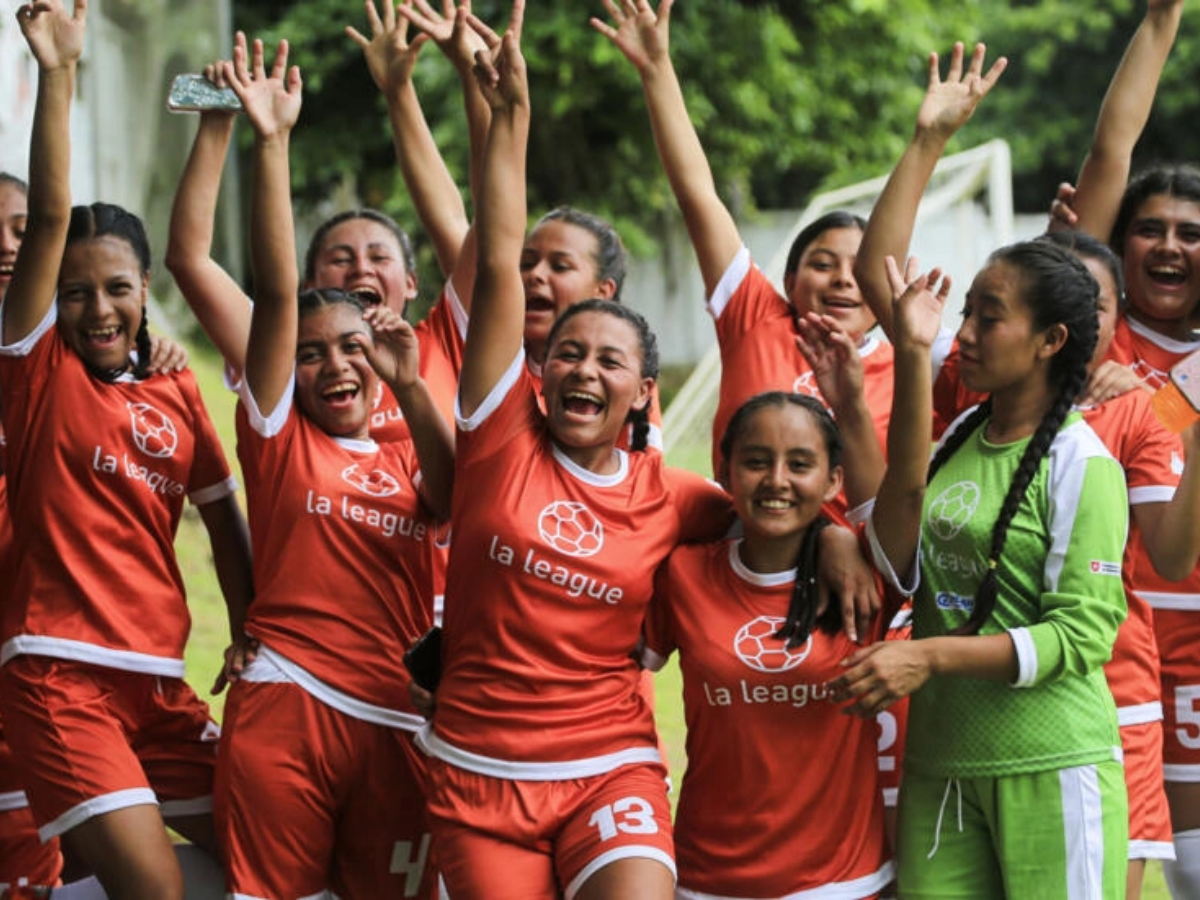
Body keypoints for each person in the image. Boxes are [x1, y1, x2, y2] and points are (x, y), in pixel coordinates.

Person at [411, 8, 738, 896]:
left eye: (609, 361)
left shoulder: (675, 495)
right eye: (567, 354)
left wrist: (834, 543)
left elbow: (774, 519)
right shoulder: (498, 437)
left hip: (608, 767)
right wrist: (508, 117)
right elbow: (495, 255)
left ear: (643, 391)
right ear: (540, 371)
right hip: (478, 770)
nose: (584, 369)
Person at [0, 2, 254, 898]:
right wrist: (60, 72)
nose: (98, 309)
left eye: (115, 288)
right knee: (156, 889)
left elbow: (222, 514)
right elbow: (46, 220)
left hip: (159, 687)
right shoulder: (36, 373)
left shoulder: (175, 386)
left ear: (144, 289)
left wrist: (250, 633)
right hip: (58, 677)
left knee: (274, 853)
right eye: (74, 293)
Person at [202, 35, 453, 899]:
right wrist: (270, 140)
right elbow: (276, 293)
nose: (334, 366)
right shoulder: (278, 433)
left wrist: (411, 390)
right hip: (291, 697)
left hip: (399, 714)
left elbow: (453, 496)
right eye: (310, 354)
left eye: (353, 348)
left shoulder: (411, 437)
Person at [832, 236, 1130, 897]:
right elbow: (897, 538)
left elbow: (1081, 637)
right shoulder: (961, 434)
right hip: (941, 768)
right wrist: (912, 353)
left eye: (988, 318)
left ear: (1051, 340)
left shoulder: (1083, 463)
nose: (963, 332)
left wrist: (929, 657)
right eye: (965, 311)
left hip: (1053, 762)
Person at [590, 0, 885, 492]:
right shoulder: (756, 316)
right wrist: (657, 70)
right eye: (823, 263)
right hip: (738, 539)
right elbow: (698, 195)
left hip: (848, 546)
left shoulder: (913, 370)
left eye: (860, 270)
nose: (842, 280)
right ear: (789, 280)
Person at [641, 390, 897, 899]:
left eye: (799, 465)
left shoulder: (862, 581)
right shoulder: (683, 574)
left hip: (842, 885)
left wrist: (836, 534)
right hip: (706, 881)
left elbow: (903, 493)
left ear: (834, 480)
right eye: (756, 461)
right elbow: (601, 670)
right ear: (726, 472)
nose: (776, 479)